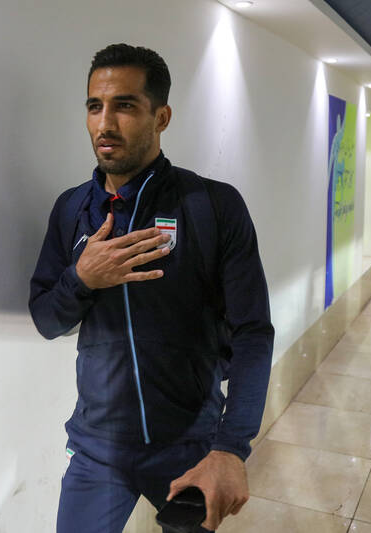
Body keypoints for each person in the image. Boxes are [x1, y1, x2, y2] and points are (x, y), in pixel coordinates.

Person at [28, 43, 274, 533]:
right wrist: (82, 278)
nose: (105, 123)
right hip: (98, 449)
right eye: (95, 106)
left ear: (161, 117)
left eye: (124, 105)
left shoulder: (211, 205)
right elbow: (46, 320)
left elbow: (253, 332)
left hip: (189, 447)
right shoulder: (72, 210)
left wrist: (231, 447)